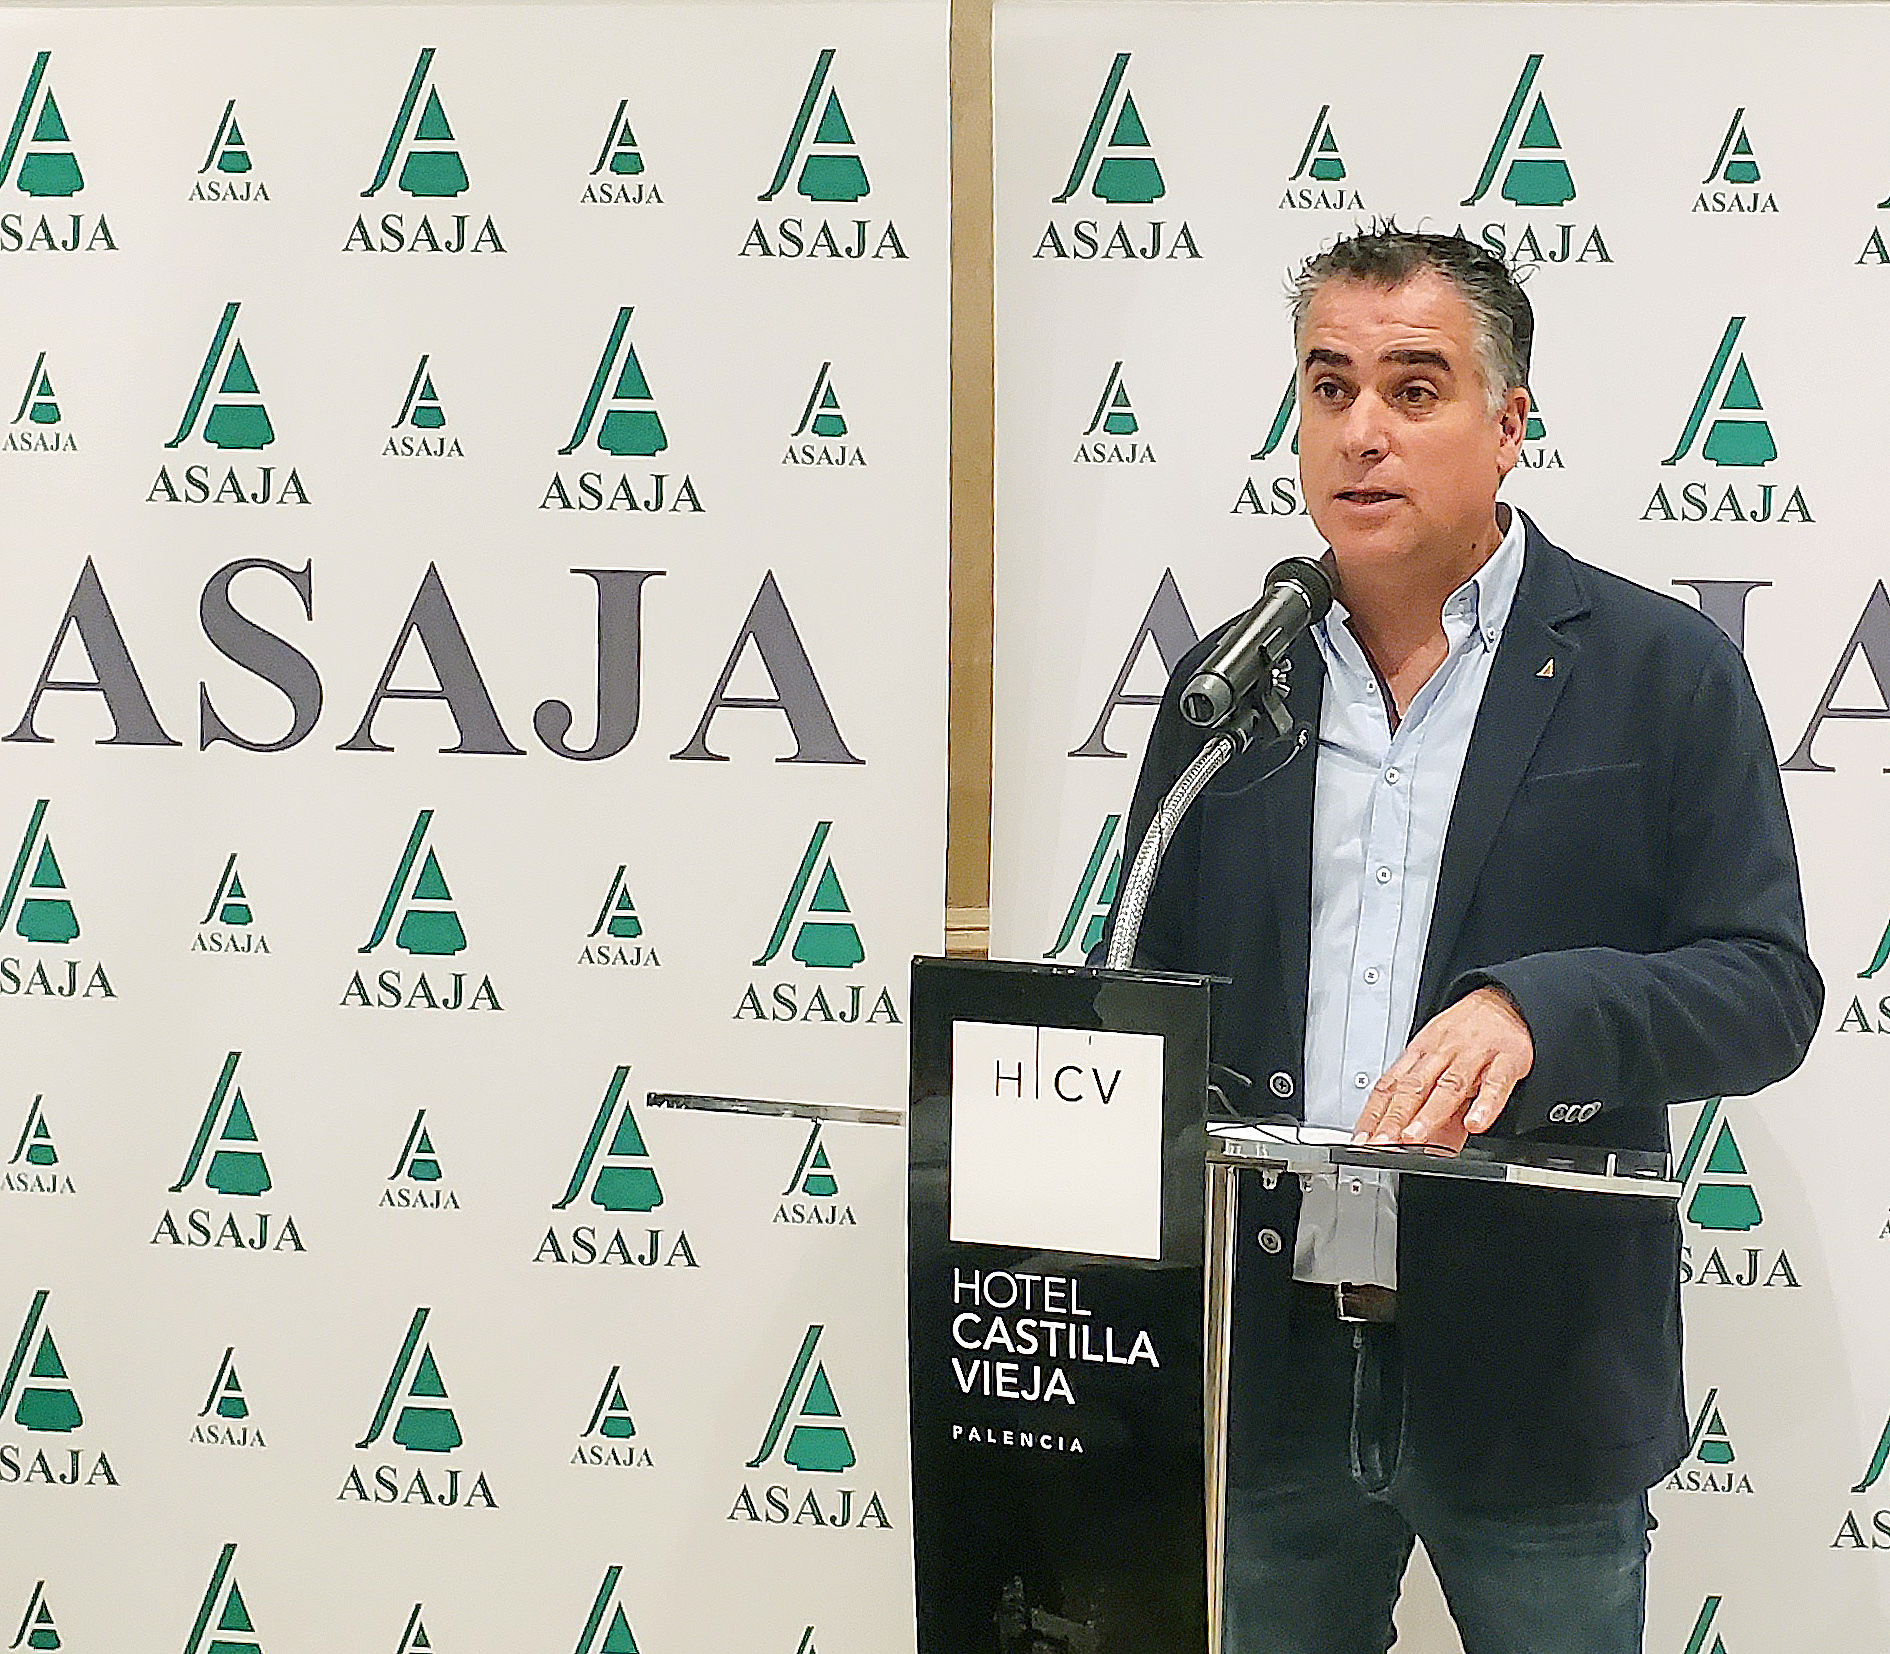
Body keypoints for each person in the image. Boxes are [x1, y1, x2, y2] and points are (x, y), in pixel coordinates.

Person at [1109, 229, 1821, 1654]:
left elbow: (1764, 989)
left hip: (1537, 1365)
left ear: (1507, 426)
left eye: (1414, 389)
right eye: (1328, 387)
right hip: (1266, 1372)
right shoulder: (1229, 688)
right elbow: (1149, 988)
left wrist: (1537, 1014)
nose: (1360, 431)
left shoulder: (1656, 672)